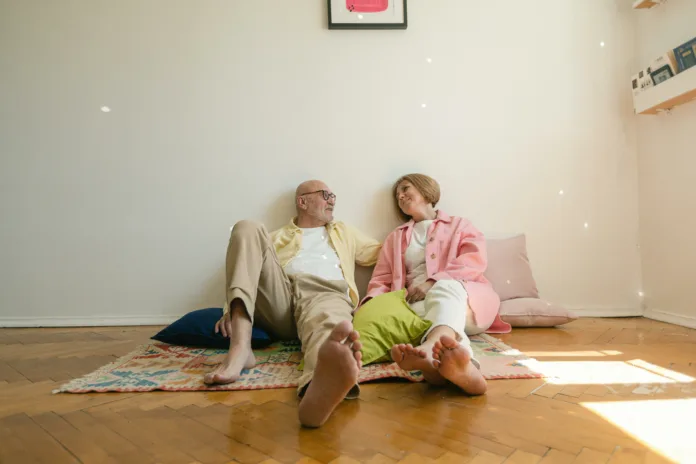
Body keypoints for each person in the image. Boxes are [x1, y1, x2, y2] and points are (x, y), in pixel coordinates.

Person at [204, 180, 381, 427]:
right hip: (282, 298)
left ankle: (318, 385)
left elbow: (385, 252)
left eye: (333, 196)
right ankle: (241, 349)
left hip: (324, 292)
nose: (332, 200)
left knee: (329, 324)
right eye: (326, 195)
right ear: (303, 201)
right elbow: (247, 268)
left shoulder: (343, 231)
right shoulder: (276, 237)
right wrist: (229, 309)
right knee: (247, 227)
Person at [361, 174, 510, 395]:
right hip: (417, 308)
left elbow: (472, 262)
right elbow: (381, 280)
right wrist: (374, 305)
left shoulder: (460, 225)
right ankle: (453, 370)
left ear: (425, 190)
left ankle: (431, 348)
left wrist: (431, 282)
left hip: (468, 302)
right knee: (430, 314)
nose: (400, 196)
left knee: (444, 287)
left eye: (405, 189)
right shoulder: (395, 238)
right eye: (397, 195)